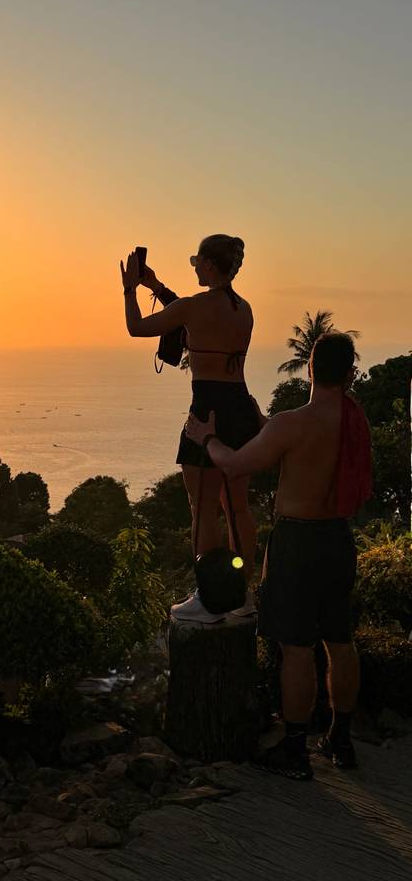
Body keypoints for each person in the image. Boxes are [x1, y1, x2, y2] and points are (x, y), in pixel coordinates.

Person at [184, 332, 372, 780]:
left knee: (296, 650)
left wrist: (207, 439)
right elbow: (303, 441)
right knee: (340, 642)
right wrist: (264, 421)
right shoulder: (351, 417)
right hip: (337, 540)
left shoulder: (293, 424)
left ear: (309, 368)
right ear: (349, 374)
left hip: (297, 543)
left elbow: (234, 464)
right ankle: (340, 741)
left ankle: (294, 751)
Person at [120, 234, 261, 622]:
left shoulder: (196, 307)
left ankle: (212, 597)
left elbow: (137, 327)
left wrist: (130, 290)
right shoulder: (243, 309)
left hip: (207, 412)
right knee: (237, 507)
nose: (195, 266)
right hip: (240, 408)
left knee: (202, 507)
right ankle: (242, 594)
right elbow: (190, 313)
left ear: (211, 266)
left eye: (197, 261)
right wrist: (157, 286)